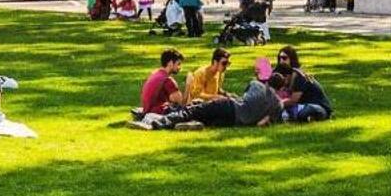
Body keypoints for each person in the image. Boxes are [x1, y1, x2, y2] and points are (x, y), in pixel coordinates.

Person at [136, 66, 282, 130]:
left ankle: (156, 123)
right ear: (280, 89)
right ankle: (192, 125)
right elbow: (262, 123)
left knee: (193, 111)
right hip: (235, 122)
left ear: (268, 81)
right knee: (204, 118)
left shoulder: (257, 84)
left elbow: (244, 99)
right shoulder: (278, 105)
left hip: (230, 107)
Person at [273, 46, 333, 123]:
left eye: (284, 58)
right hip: (302, 106)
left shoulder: (299, 77)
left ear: (292, 59)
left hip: (318, 107)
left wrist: (274, 105)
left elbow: (293, 100)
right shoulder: (286, 75)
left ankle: (312, 117)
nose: (281, 61)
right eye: (279, 58)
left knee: (304, 113)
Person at [138, 49, 188, 120]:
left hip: (148, 110)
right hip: (159, 112)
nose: (180, 68)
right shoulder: (167, 80)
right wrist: (188, 87)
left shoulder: (154, 74)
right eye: (178, 64)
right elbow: (180, 101)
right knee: (190, 111)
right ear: (170, 63)